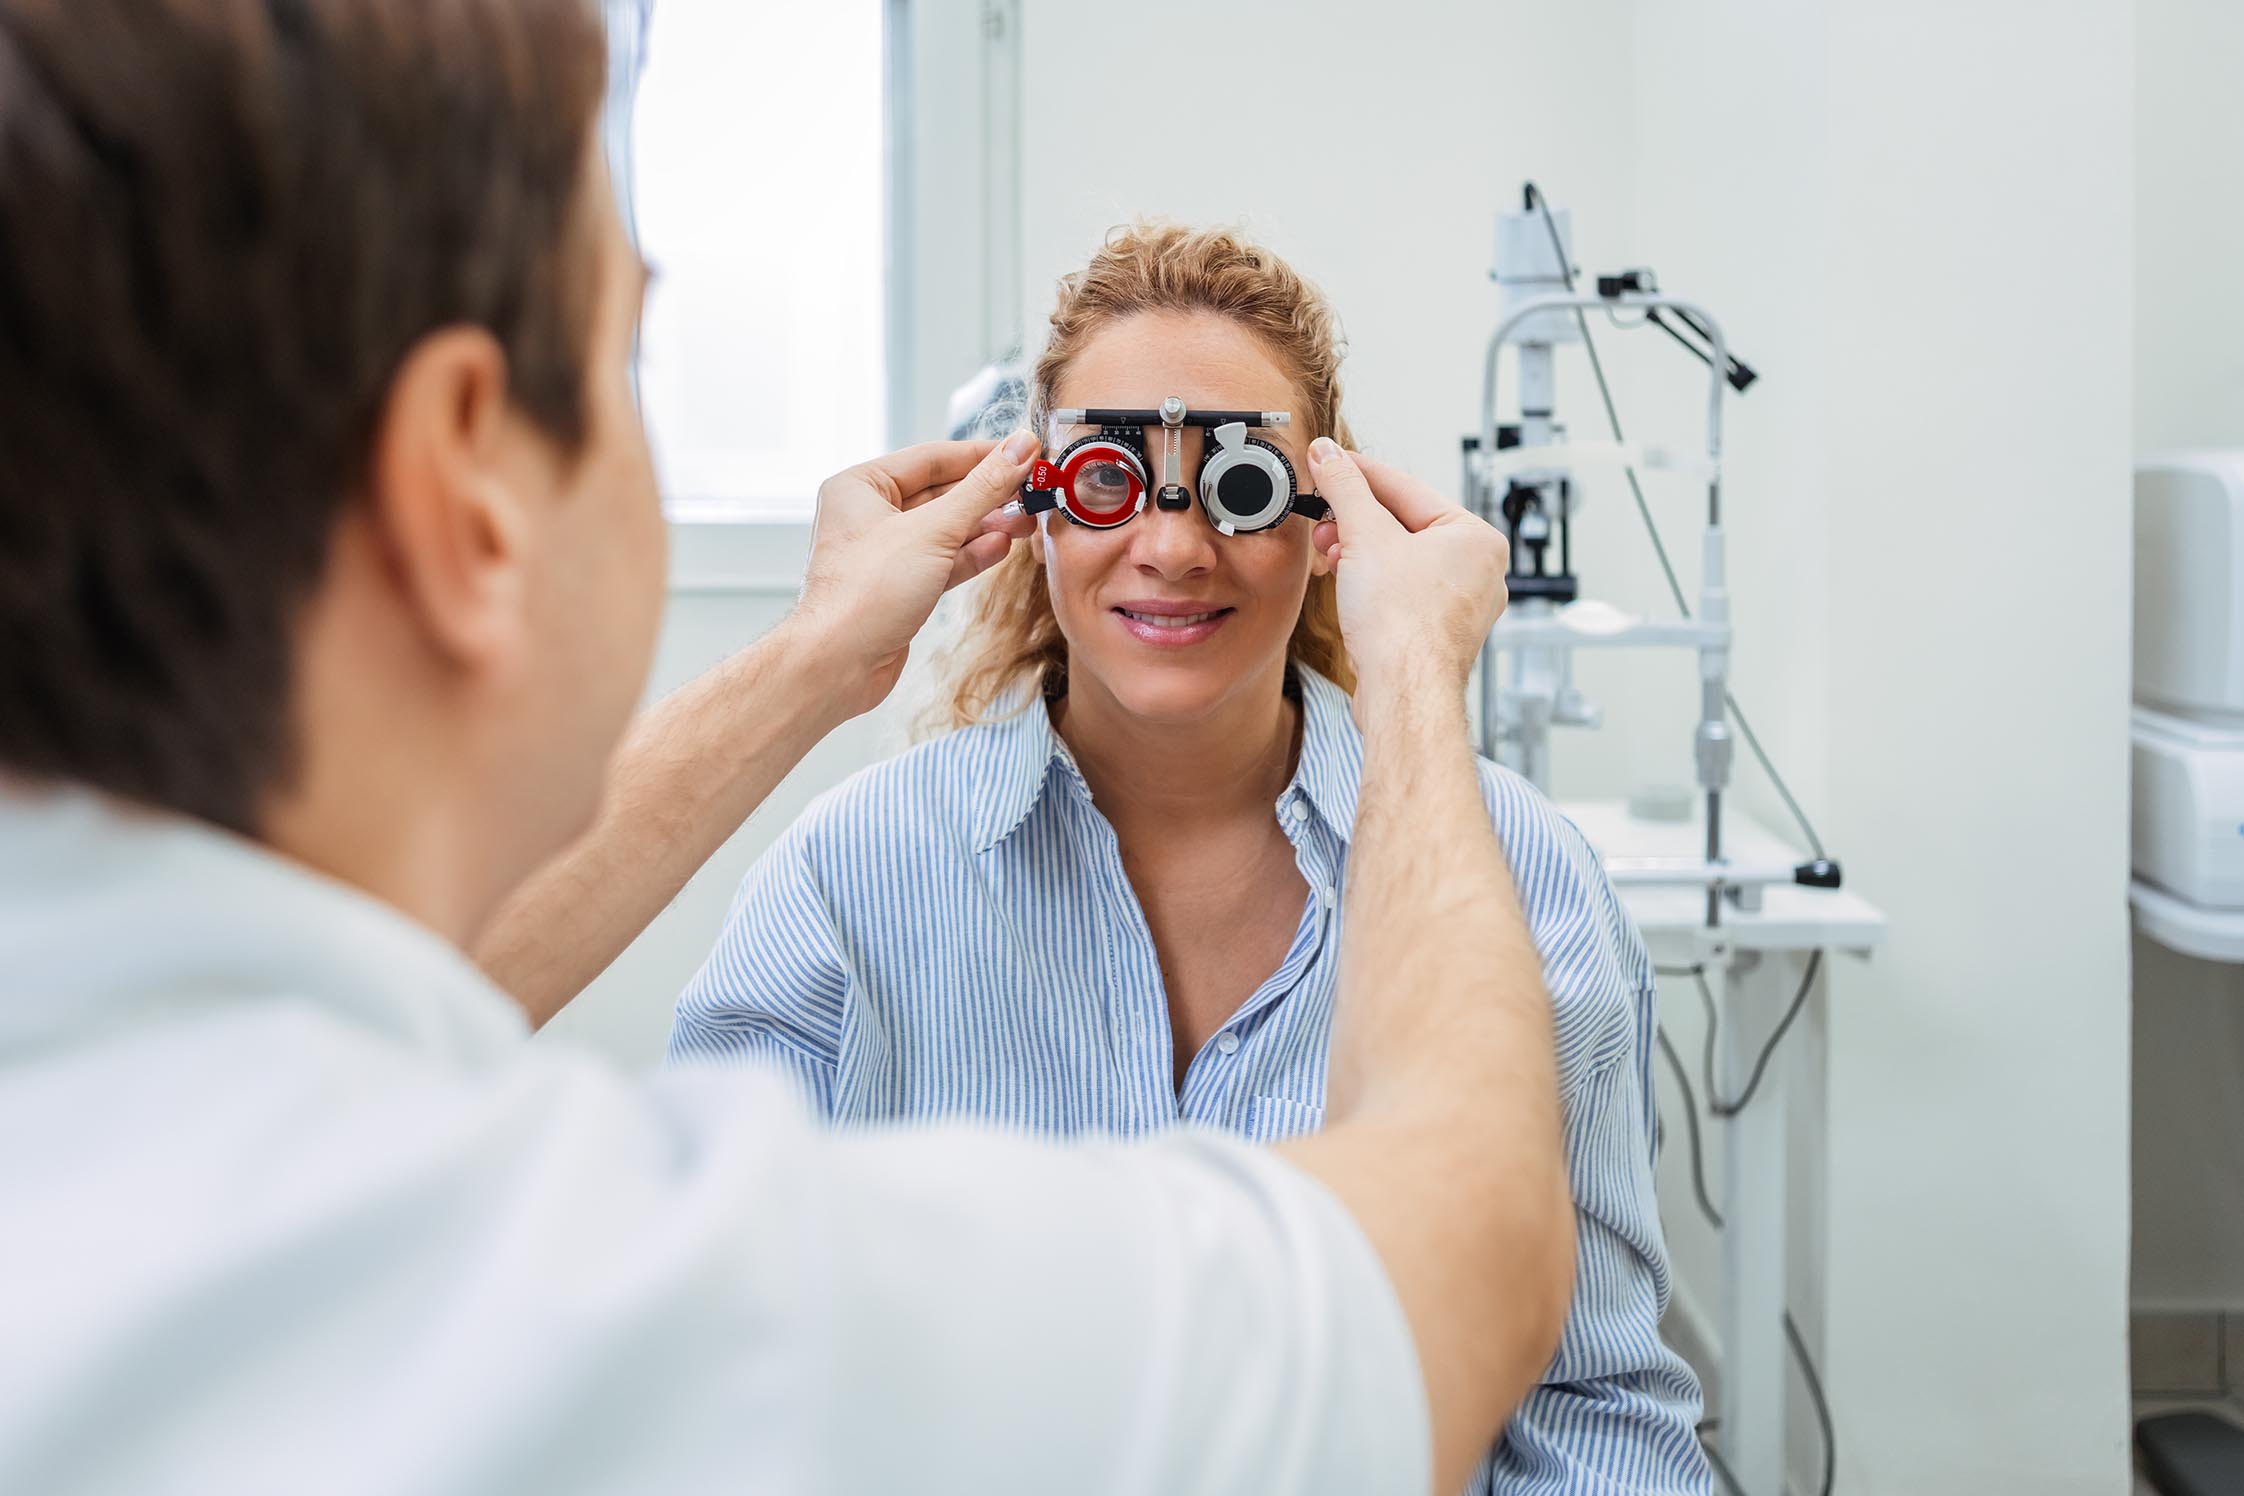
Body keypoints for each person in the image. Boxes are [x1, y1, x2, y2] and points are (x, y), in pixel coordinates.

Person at [0, 3, 1573, 1492]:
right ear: (457, 486)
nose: (1169, 537)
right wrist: (1418, 677)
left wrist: (823, 654)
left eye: (1229, 487)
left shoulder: (199, 1154)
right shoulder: (710, 1295)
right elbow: (1474, 1251)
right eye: (629, 365)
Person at [665, 224, 1708, 1493]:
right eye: (1110, 479)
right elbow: (717, 1382)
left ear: (1330, 518)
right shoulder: (845, 889)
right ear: (1034, 505)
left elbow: (1592, 1407)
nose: (1171, 546)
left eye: (1240, 485)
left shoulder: (1524, 879)